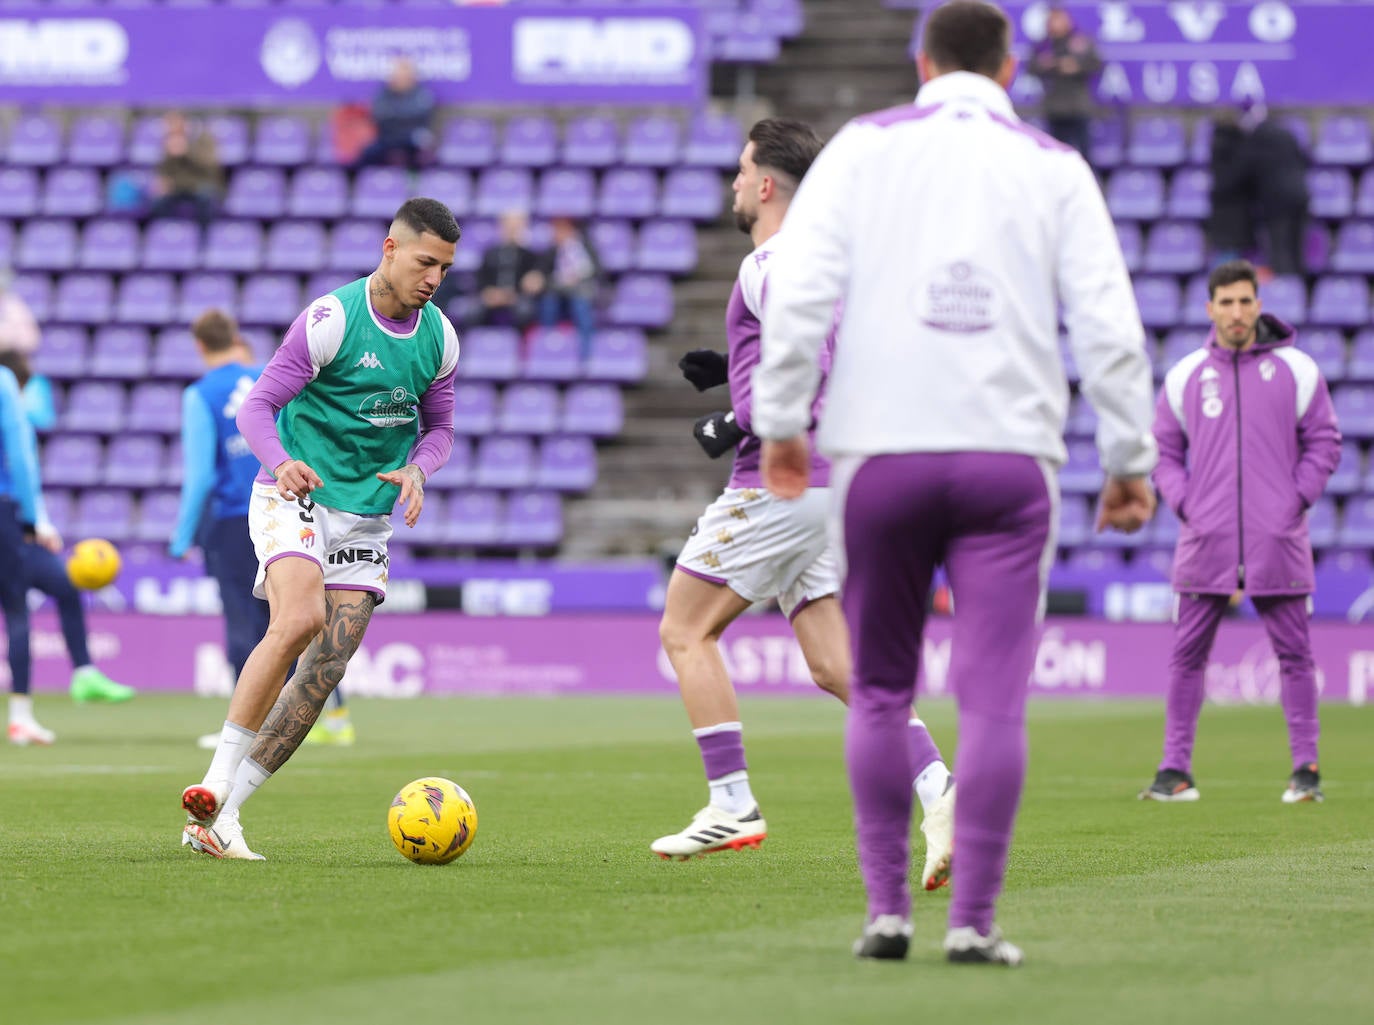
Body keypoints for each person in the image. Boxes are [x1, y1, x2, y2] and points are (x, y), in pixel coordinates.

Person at [753, 1, 1157, 965]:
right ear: (1011, 67)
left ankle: (887, 912)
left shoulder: (861, 147)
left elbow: (800, 285)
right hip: (1008, 462)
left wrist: (779, 423)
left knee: (884, 691)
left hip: (882, 454)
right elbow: (1107, 319)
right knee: (995, 705)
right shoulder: (1054, 165)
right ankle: (974, 922)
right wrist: (1129, 459)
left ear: (920, 61)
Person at [653, 118, 956, 888]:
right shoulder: (828, 262)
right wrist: (734, 369)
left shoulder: (771, 260)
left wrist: (739, 416)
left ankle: (732, 801)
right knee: (832, 664)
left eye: (740, 168)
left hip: (780, 482)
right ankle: (936, 786)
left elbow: (811, 361)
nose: (732, 181)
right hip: (833, 484)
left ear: (764, 184)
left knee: (684, 629)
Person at [179, 199, 460, 859]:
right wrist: (282, 462)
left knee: (329, 663)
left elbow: (442, 427)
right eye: (426, 262)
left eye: (445, 268)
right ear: (390, 247)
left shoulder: (440, 339)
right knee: (300, 619)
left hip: (367, 514)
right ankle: (214, 782)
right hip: (294, 492)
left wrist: (420, 468)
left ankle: (221, 816)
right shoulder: (333, 319)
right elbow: (258, 409)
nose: (434, 279)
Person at [1142, 260, 1340, 805]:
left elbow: (1325, 443)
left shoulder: (1297, 369)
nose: (1236, 312)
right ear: (1210, 308)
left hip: (1277, 540)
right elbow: (1162, 452)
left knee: (1295, 657)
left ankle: (1306, 771)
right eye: (1225, 302)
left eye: (1244, 301)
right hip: (1206, 540)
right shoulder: (1185, 375)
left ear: (1259, 305)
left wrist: (1291, 502)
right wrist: (1187, 504)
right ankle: (1174, 772)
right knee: (1186, 657)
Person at [172, 310, 353, 750]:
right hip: (284, 506)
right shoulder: (267, 375)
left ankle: (245, 726)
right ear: (235, 338)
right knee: (298, 616)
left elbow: (199, 476)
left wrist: (181, 538)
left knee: (243, 622)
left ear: (200, 346)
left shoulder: (200, 395)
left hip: (234, 519)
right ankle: (333, 717)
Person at [0, 351, 134, 707]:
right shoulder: (8, 399)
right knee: (17, 610)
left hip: (17, 527)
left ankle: (84, 673)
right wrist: (36, 521)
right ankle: (22, 713)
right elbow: (22, 467)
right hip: (10, 524)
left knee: (65, 587)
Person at [1028, 5, 1101, 163]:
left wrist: (1075, 66)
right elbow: (1031, 67)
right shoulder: (1043, 45)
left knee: (1084, 156)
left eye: (1059, 19)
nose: (1056, 24)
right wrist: (1046, 64)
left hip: (1078, 107)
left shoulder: (1080, 41)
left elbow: (1096, 64)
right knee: (1056, 156)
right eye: (1052, 19)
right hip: (1054, 108)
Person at [1245, 106, 1310, 276]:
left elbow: (1250, 172)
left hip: (1277, 201)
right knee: (1296, 248)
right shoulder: (1287, 135)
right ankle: (1298, 290)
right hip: (1300, 194)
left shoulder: (1256, 140)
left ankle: (1286, 291)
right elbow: (1304, 160)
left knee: (1280, 248)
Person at [355, 59, 436, 170]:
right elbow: (379, 115)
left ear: (412, 77)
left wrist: (395, 115)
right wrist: (402, 116)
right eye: (397, 75)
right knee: (368, 153)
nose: (400, 79)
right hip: (387, 138)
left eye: (404, 76)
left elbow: (420, 115)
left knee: (426, 154)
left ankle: (417, 184)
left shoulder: (422, 94)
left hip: (412, 138)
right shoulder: (383, 93)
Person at [536, 217, 599, 358]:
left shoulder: (585, 247)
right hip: (557, 289)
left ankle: (586, 353)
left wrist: (579, 277)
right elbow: (543, 273)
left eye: (561, 231)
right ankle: (548, 346)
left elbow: (597, 270)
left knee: (581, 305)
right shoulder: (551, 251)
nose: (557, 234)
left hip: (581, 288)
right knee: (548, 303)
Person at [147, 113, 222, 226]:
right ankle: (168, 232)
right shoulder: (169, 140)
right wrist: (163, 181)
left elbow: (209, 166)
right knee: (158, 202)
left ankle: (203, 236)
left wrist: (186, 151)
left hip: (200, 183)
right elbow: (164, 169)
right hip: (177, 186)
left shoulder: (203, 138)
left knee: (205, 199)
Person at [474, 211, 544, 330]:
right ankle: (482, 343)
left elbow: (532, 283)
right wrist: (488, 293)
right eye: (509, 227)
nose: (512, 231)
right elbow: (481, 278)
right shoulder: (490, 253)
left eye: (516, 227)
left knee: (525, 310)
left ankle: (518, 344)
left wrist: (513, 295)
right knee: (472, 311)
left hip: (517, 296)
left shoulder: (529, 256)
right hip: (493, 295)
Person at [1205, 110, 1255, 265]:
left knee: (1226, 259)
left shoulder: (1216, 146)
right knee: (1229, 262)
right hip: (1234, 216)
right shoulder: (1239, 148)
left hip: (1222, 215)